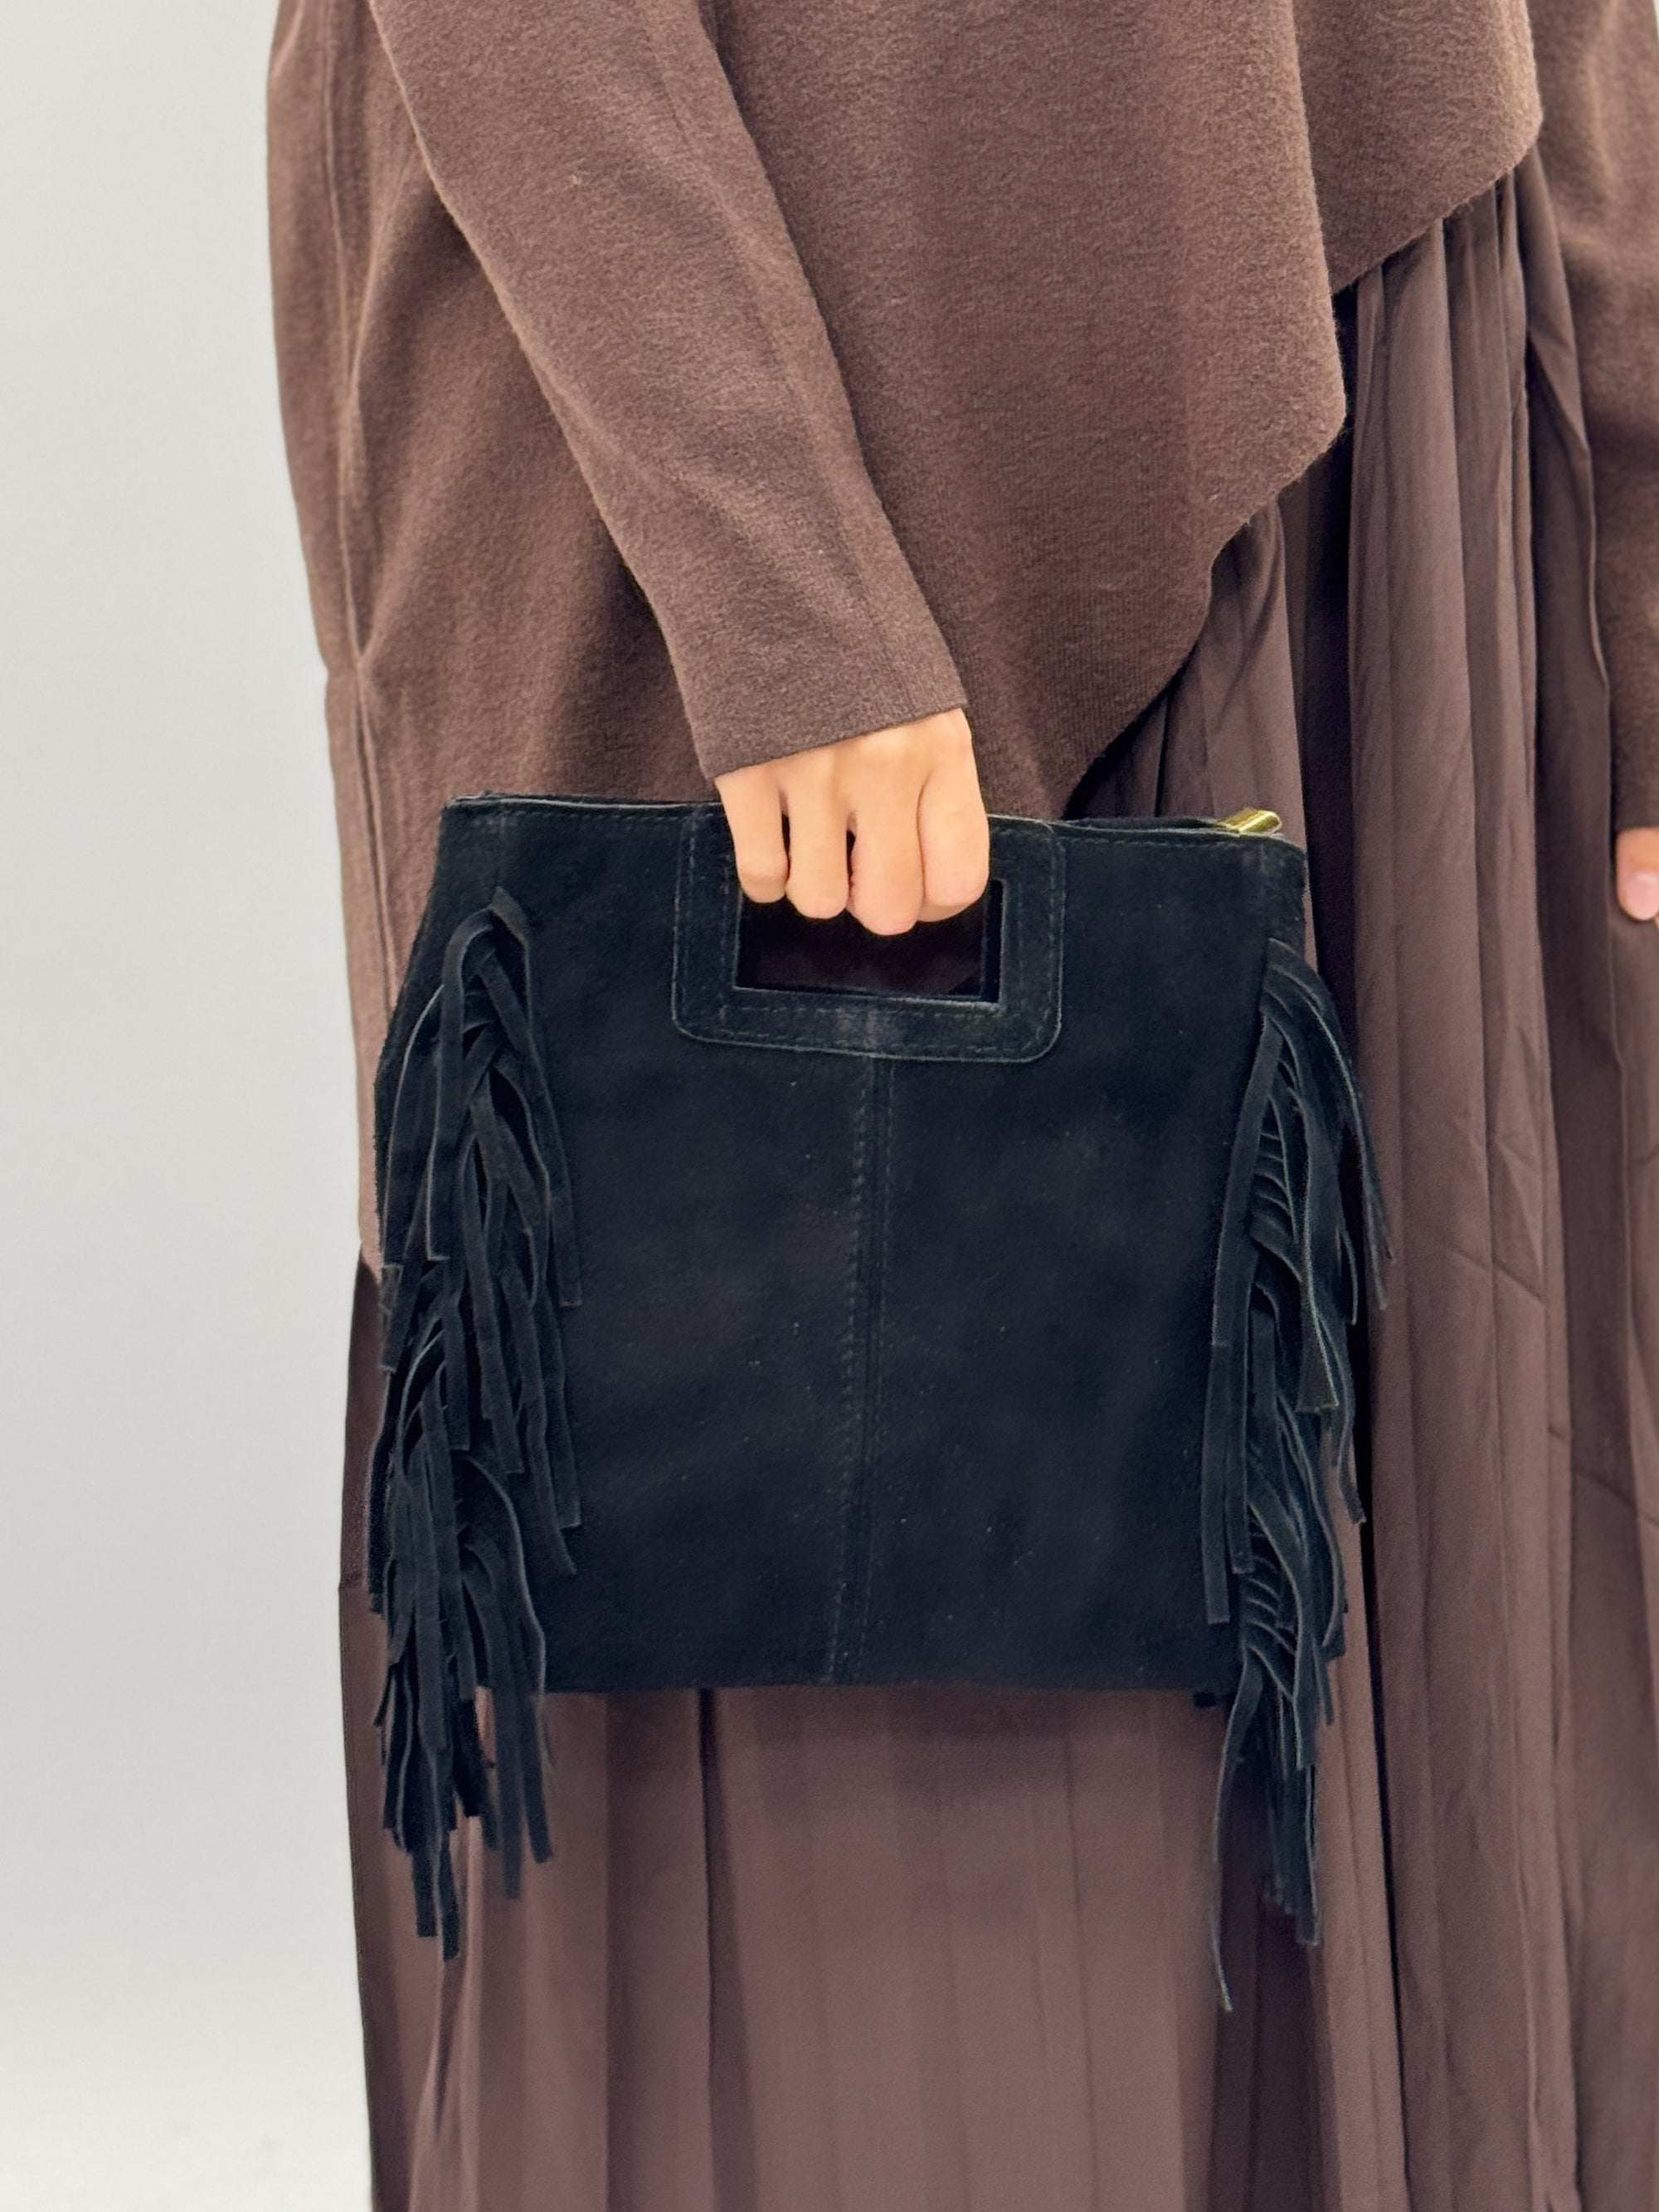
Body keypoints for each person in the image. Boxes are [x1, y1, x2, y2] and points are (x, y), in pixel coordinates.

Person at [267, 2, 1659, 2205]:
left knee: (1385, 1629)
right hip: (806, 343)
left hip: (1399, 358)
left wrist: (1636, 507)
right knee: (876, 1744)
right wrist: (784, 585)